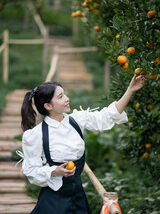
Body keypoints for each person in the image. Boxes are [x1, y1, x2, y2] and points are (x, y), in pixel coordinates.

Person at [21, 74, 146, 214]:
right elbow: (31, 171)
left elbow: (109, 115)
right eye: (60, 97)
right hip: (53, 202)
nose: (67, 99)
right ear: (48, 105)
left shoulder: (77, 121)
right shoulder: (36, 135)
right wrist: (55, 171)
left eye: (64, 94)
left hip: (78, 198)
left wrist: (130, 90)